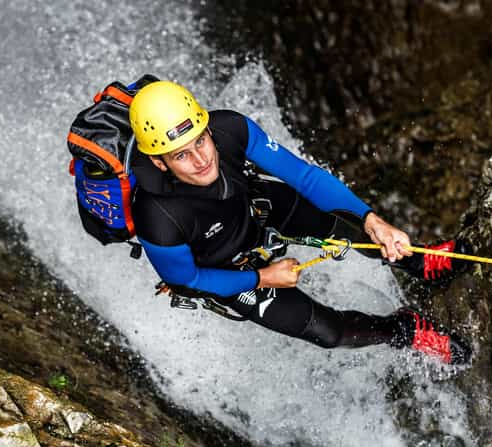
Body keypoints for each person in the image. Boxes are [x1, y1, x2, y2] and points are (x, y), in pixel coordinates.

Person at [128, 80, 472, 365]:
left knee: (344, 225)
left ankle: (418, 260)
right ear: (158, 163)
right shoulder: (156, 216)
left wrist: (372, 221)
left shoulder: (230, 128)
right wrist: (263, 277)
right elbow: (189, 281)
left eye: (200, 141)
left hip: (259, 208)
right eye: (181, 155)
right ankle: (404, 329)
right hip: (230, 270)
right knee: (329, 333)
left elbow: (304, 177)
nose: (202, 160)